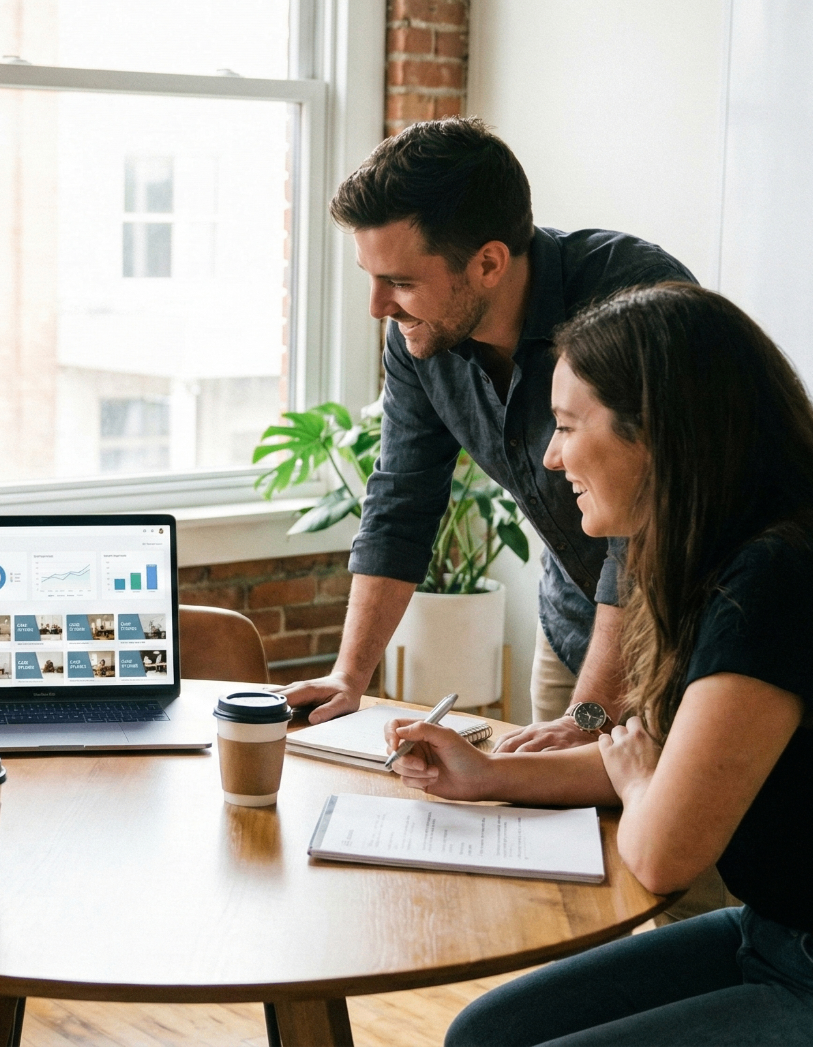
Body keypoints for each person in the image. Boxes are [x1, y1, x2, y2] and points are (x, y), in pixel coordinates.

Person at [382, 283, 813, 1044]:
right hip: (784, 934)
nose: (550, 454)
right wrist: (488, 772)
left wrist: (638, 777)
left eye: (568, 425)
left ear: (657, 434)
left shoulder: (785, 578)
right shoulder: (736, 551)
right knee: (485, 1034)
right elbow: (666, 761)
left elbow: (662, 849)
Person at [276, 117, 693, 748]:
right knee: (546, 817)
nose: (378, 306)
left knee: (654, 831)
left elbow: (646, 528)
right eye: (371, 276)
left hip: (684, 628)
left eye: (402, 282)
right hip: (574, 621)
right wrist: (348, 676)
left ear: (489, 263)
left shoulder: (631, 300)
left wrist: (589, 719)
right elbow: (401, 498)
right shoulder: (419, 338)